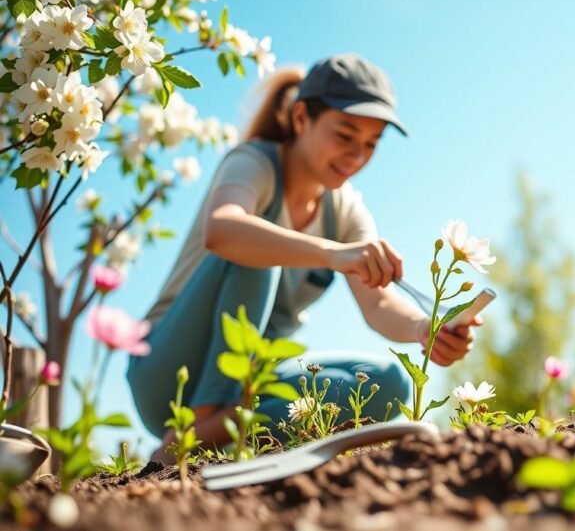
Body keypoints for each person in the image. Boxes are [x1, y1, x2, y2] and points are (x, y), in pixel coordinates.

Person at [126, 53, 480, 462]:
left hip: (250, 382)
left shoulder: (345, 209)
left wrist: (425, 329)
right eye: (345, 136)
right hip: (169, 373)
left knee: (389, 384)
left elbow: (378, 302)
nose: (356, 156)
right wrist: (333, 253)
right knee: (259, 248)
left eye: (371, 144)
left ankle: (219, 431)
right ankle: (200, 425)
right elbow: (222, 229)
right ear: (300, 119)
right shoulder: (254, 162)